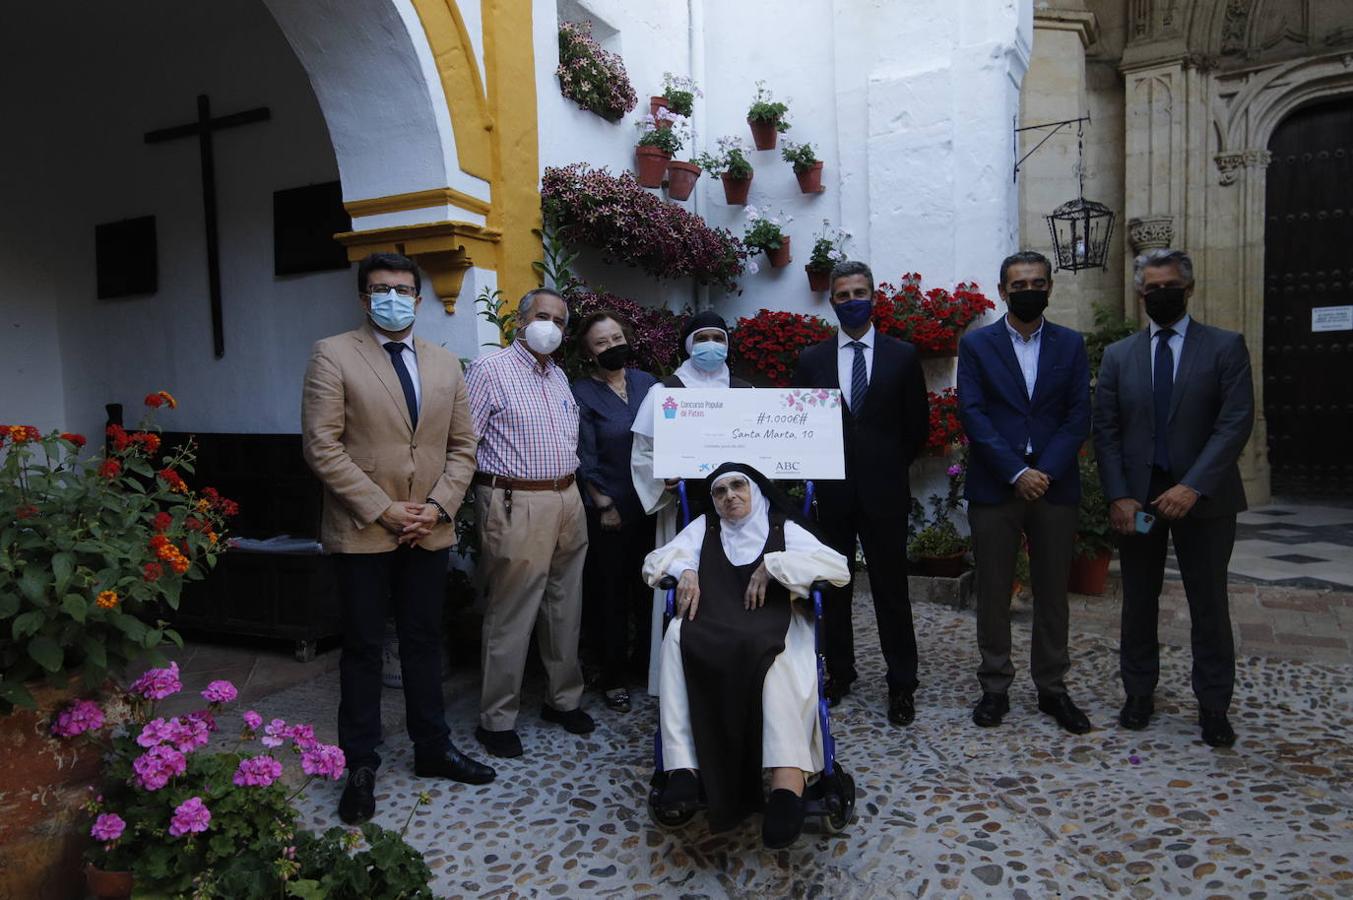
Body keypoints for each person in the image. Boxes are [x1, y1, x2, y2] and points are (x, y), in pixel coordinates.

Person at [301, 251, 495, 826]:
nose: (393, 298)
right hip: (364, 528)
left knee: (423, 641)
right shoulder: (333, 354)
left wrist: (436, 508)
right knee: (362, 647)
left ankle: (432, 747)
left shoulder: (444, 363)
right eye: (381, 289)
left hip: (427, 530)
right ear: (365, 298)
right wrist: (384, 508)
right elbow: (321, 444)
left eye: (403, 289)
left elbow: (463, 445)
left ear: (418, 298)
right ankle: (360, 762)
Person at [1093, 248, 1255, 748]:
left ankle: (1213, 705)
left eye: (1170, 287)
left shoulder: (1225, 347)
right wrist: (1119, 495)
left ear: (1188, 290)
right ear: (1141, 295)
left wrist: (1193, 485)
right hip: (1139, 504)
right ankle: (1139, 694)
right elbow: (1108, 431)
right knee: (1137, 600)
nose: (1159, 296)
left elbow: (1235, 423)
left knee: (1209, 604)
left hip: (1204, 502)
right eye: (1151, 289)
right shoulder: (1120, 356)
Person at [644, 463, 850, 848]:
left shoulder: (781, 528)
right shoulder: (705, 526)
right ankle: (683, 769)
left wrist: (774, 565)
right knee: (676, 638)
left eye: (738, 486)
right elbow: (656, 561)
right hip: (716, 621)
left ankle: (787, 785)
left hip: (775, 622)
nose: (729, 497)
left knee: (777, 663)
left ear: (755, 490)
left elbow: (837, 567)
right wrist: (685, 568)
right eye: (719, 492)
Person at [956, 250, 1093, 734]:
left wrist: (1046, 471)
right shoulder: (977, 346)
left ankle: (1053, 687)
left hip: (1054, 488)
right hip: (997, 486)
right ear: (1002, 292)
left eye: (1037, 282)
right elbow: (972, 412)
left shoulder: (1071, 344)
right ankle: (995, 686)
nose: (1028, 290)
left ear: (1050, 287)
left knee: (1053, 591)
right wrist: (1017, 471)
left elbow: (1079, 413)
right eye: (1018, 284)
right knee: (993, 591)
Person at [790, 260, 929, 726]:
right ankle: (841, 673)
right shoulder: (810, 359)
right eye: (844, 295)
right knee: (834, 589)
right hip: (832, 496)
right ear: (832, 302)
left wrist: (885, 468)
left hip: (885, 493)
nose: (852, 301)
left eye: (860, 293)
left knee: (892, 591)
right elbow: (800, 426)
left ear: (874, 297)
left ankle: (902, 683)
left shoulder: (902, 356)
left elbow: (916, 428)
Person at [466, 287, 594, 759]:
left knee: (566, 606)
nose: (552, 327)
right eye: (543, 316)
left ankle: (563, 700)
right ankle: (496, 718)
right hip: (514, 500)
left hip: (567, 497)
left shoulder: (558, 377)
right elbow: (464, 441)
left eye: (561, 321)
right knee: (512, 611)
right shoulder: (489, 370)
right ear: (520, 322)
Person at [630, 310, 752, 696]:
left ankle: (738, 674)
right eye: (703, 338)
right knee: (685, 586)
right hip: (685, 510)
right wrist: (662, 480)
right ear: (687, 344)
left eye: (719, 338)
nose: (711, 346)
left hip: (739, 515)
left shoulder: (746, 392)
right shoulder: (665, 391)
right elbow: (642, 453)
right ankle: (681, 684)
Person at [571, 310, 658, 712]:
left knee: (648, 590)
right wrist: (603, 503)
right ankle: (611, 675)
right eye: (601, 343)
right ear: (589, 352)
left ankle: (645, 662)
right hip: (610, 511)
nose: (612, 347)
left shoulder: (647, 383)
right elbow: (582, 453)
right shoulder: (581, 393)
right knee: (609, 595)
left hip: (654, 504)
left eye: (616, 338)